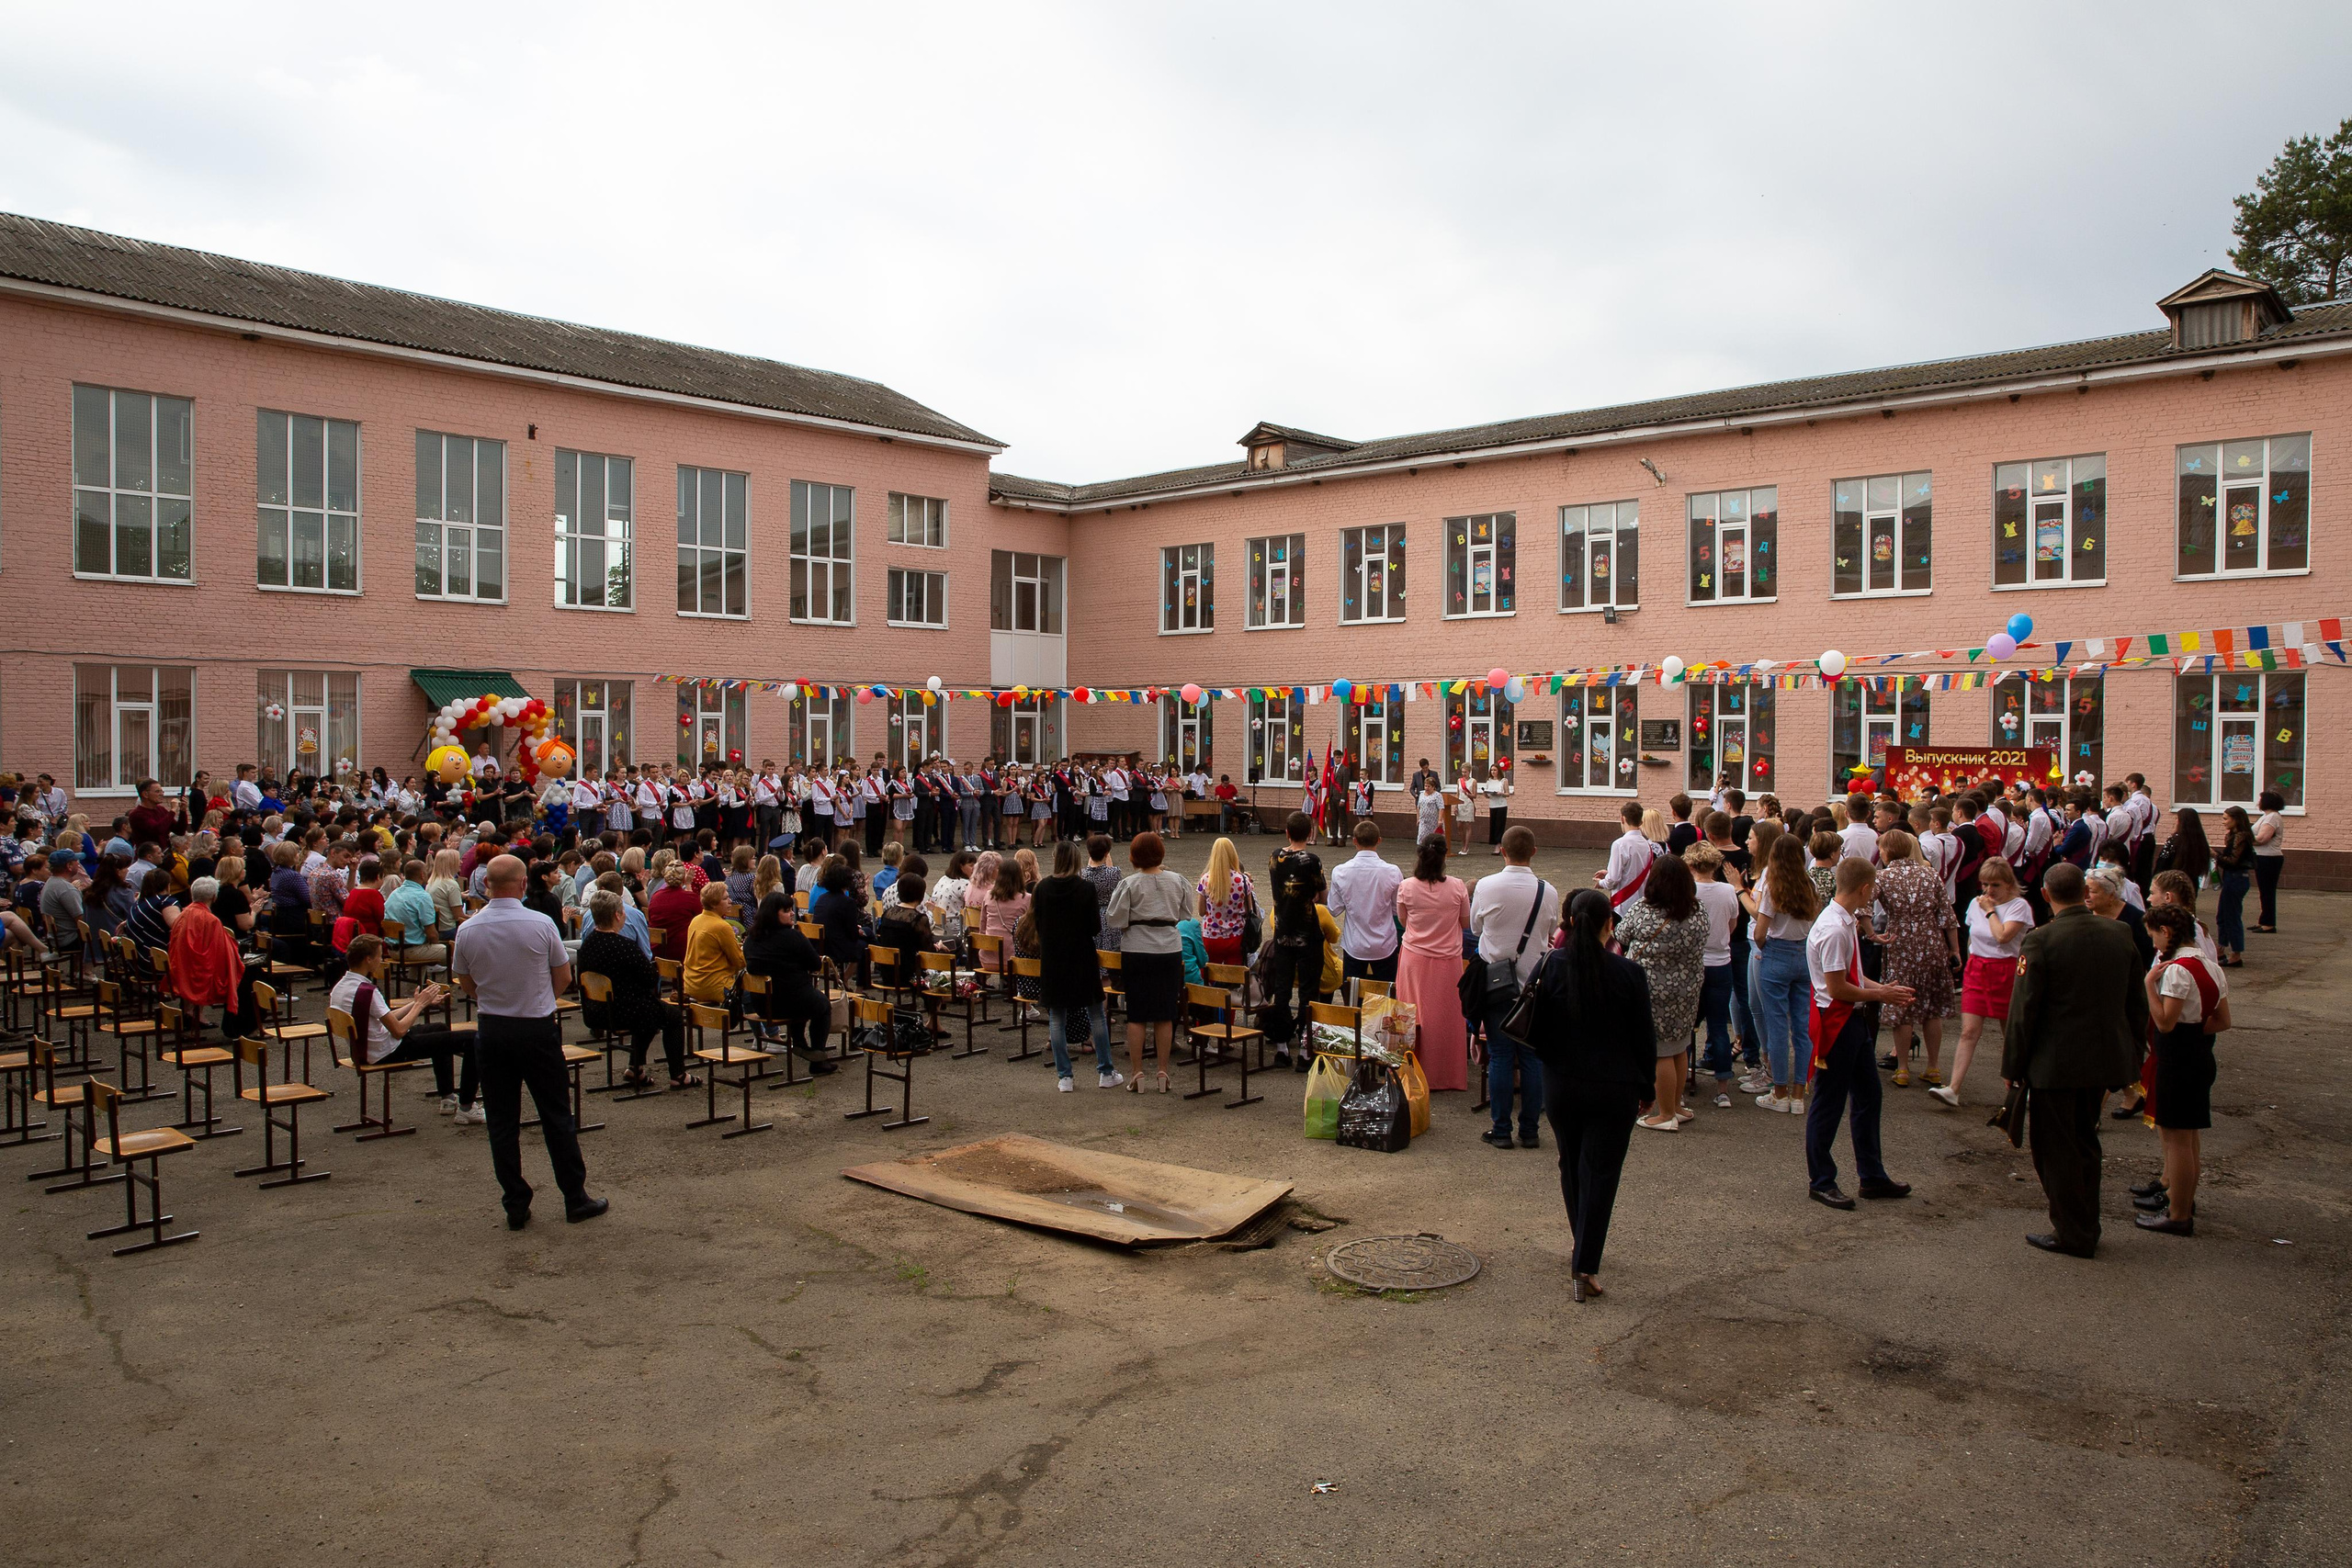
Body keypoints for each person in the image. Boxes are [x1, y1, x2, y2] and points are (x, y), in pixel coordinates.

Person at [2000, 863, 2148, 1258]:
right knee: (2085, 1143)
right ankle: (2085, 1224)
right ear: (2085, 893)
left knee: (2055, 1150)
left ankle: (2073, 1231)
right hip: (2103, 1060)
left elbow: (2024, 1011)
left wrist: (2012, 1068)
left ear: (2046, 896)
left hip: (2056, 1064)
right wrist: (2133, 1054)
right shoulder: (2119, 932)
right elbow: (2136, 1004)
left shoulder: (2042, 940)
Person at [449, 855, 605, 1229]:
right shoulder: (539, 923)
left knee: (502, 1121)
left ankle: (516, 1203)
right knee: (556, 1115)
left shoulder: (469, 930)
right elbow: (563, 976)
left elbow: (466, 984)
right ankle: (574, 1196)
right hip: (535, 1026)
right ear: (522, 884)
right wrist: (538, 999)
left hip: (494, 1027)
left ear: (486, 885)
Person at [1522, 888, 1656, 1303]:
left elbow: (1532, 1023)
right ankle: (1585, 1261)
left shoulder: (1550, 965)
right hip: (1613, 1088)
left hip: (1562, 1084)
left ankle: (1582, 1242)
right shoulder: (1628, 973)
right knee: (1600, 1173)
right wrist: (1647, 1087)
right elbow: (1643, 1039)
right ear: (1608, 925)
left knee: (1571, 1163)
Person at [1803, 857, 1915, 1210]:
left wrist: (1881, 988)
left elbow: (1852, 976)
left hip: (1850, 1019)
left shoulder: (1845, 919)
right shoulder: (1835, 928)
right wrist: (1881, 994)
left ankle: (1872, 1175)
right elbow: (1837, 988)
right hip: (1836, 1020)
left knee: (1868, 1095)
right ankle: (1821, 1180)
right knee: (1829, 1103)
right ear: (1865, 889)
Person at [2135, 903, 2230, 1237]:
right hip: (2200, 1054)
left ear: (2167, 933)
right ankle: (2183, 1203)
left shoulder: (2176, 970)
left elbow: (2164, 1021)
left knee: (2176, 1140)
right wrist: (2195, 1030)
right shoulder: (2210, 965)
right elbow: (2223, 1020)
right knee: (2188, 1139)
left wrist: (2149, 985)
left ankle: (2178, 1214)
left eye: (2154, 937)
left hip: (2177, 1057)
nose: (2154, 944)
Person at [1470, 824, 1562, 1147]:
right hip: (1533, 984)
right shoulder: (1547, 891)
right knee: (1532, 1058)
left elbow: (1475, 926)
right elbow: (1551, 929)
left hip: (1497, 982)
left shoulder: (1486, 885)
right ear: (1533, 852)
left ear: (1502, 850)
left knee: (1499, 1055)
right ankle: (1530, 1130)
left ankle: (1501, 1130)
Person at [332, 934, 481, 1120]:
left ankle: (448, 1097)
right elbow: (399, 1030)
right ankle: (467, 1107)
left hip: (367, 1048)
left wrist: (417, 1002)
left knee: (440, 1027)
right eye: (379, 956)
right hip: (385, 1051)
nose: (382, 960)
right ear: (368, 960)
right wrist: (419, 1005)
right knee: (473, 1039)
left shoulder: (341, 987)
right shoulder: (367, 991)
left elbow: (384, 1018)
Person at [1616, 852, 1706, 1134]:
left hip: (1652, 991)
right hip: (1688, 988)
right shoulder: (1697, 911)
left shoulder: (1645, 910)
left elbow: (1620, 934)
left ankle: (1666, 1113)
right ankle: (1676, 1106)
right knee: (1680, 1045)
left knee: (1660, 1052)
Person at [1932, 858, 2031, 1111]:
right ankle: (1954, 1088)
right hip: (1978, 968)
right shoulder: (1976, 904)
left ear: (2009, 883)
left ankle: (2023, 1083)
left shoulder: (2019, 906)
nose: (1988, 891)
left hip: (2006, 969)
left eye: (1994, 885)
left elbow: (2003, 936)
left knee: (2010, 1033)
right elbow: (1973, 936)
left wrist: (1989, 911)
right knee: (1968, 1031)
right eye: (1985, 884)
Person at [1030, 840, 1125, 1091]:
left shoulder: (1041, 889)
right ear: (1076, 860)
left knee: (1057, 1018)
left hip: (1053, 958)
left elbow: (1037, 924)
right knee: (1096, 1014)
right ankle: (1105, 1070)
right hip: (1081, 956)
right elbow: (1095, 927)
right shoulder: (1085, 888)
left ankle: (1065, 1076)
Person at [578, 890, 696, 1090]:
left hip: (595, 1010)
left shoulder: (587, 945)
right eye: (623, 911)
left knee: (652, 1011)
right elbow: (650, 979)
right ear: (617, 915)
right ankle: (678, 1074)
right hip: (624, 1011)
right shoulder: (625, 946)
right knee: (673, 1016)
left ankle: (635, 1068)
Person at [1872, 829, 1958, 1089]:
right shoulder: (1930, 873)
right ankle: (1933, 1067)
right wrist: (1954, 950)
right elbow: (1947, 915)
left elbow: (1863, 906)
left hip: (1900, 944)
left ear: (1887, 851)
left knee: (1903, 1005)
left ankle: (1903, 1069)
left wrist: (1870, 934)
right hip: (1931, 942)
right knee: (1932, 1009)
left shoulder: (1883, 877)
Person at [1107, 832, 1190, 1092]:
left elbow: (1114, 919)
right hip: (1169, 948)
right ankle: (1163, 1073)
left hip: (1137, 948)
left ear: (1134, 856)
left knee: (1138, 1014)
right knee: (1165, 1012)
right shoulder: (1177, 880)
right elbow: (1186, 913)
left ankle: (1137, 1073)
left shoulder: (1129, 884)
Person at [1394, 835, 1473, 1095]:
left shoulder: (1406, 886)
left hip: (1414, 957)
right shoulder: (1458, 886)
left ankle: (1414, 1069)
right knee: (1446, 1017)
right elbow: (1464, 923)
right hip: (1447, 958)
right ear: (1443, 858)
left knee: (1413, 1014)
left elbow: (1404, 922)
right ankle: (1446, 1073)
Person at [1748, 833, 1817, 1114]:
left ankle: (1779, 1091)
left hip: (1776, 952)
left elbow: (1760, 931)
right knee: (1801, 1026)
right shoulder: (1810, 885)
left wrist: (1765, 948)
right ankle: (1799, 1092)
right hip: (1802, 954)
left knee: (1776, 1024)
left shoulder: (1774, 886)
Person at [1258, 814, 1327, 1064]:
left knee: (1282, 989)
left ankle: (1281, 1047)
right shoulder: (1312, 860)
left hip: (1282, 932)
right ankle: (1306, 1050)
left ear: (1287, 832)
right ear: (1310, 834)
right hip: (1308, 932)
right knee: (1309, 991)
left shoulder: (1275, 856)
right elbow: (1323, 894)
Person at [741, 892, 833, 1070]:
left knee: (806, 998)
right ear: (773, 913)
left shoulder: (751, 938)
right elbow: (815, 964)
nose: (792, 913)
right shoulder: (793, 937)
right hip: (791, 1001)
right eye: (787, 910)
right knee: (822, 1005)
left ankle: (799, 1042)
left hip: (762, 1003)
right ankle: (818, 1057)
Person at [1687, 842, 1742, 1106]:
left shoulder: (1688, 892)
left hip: (1694, 964)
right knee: (1719, 1026)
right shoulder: (1728, 891)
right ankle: (1723, 1088)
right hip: (1721, 962)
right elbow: (1732, 925)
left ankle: (1682, 1075)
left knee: (1685, 1025)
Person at [166, 876, 254, 1041]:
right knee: (247, 975)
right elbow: (222, 951)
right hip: (198, 972)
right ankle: (237, 1028)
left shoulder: (184, 913)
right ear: (214, 897)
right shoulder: (210, 919)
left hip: (182, 967)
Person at [1327, 818, 1402, 984]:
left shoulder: (1341, 871)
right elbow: (1398, 910)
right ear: (1379, 841)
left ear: (1354, 841)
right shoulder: (1392, 872)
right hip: (1384, 943)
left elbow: (1334, 909)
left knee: (1353, 998)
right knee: (1387, 997)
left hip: (1355, 944)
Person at [1193, 837, 1255, 968]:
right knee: (1234, 976)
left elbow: (1201, 911)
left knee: (1211, 973)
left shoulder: (1206, 880)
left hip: (1211, 937)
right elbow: (1249, 910)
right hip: (1236, 936)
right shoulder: (1243, 880)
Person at [682, 881, 745, 1006]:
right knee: (757, 994)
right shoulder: (721, 926)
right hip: (715, 986)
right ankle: (767, 1026)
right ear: (714, 904)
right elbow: (739, 962)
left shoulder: (696, 920)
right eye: (725, 898)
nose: (730, 901)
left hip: (691, 984)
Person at [2213, 807, 2255, 967]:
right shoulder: (2232, 836)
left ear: (2235, 819)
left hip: (2237, 878)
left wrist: (2216, 855)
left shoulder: (2241, 837)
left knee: (2232, 916)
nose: (2223, 822)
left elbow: (2233, 861)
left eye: (2225, 819)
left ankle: (2236, 953)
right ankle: (2221, 948)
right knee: (2222, 915)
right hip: (2231, 878)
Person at [2252, 789, 2286, 933]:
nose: (2258, 802)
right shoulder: (2266, 817)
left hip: (2269, 858)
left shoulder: (2272, 818)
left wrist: (2243, 839)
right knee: (2264, 891)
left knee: (2267, 891)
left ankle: (2269, 923)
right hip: (2263, 857)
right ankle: (2264, 920)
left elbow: (2261, 839)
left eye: (2260, 799)